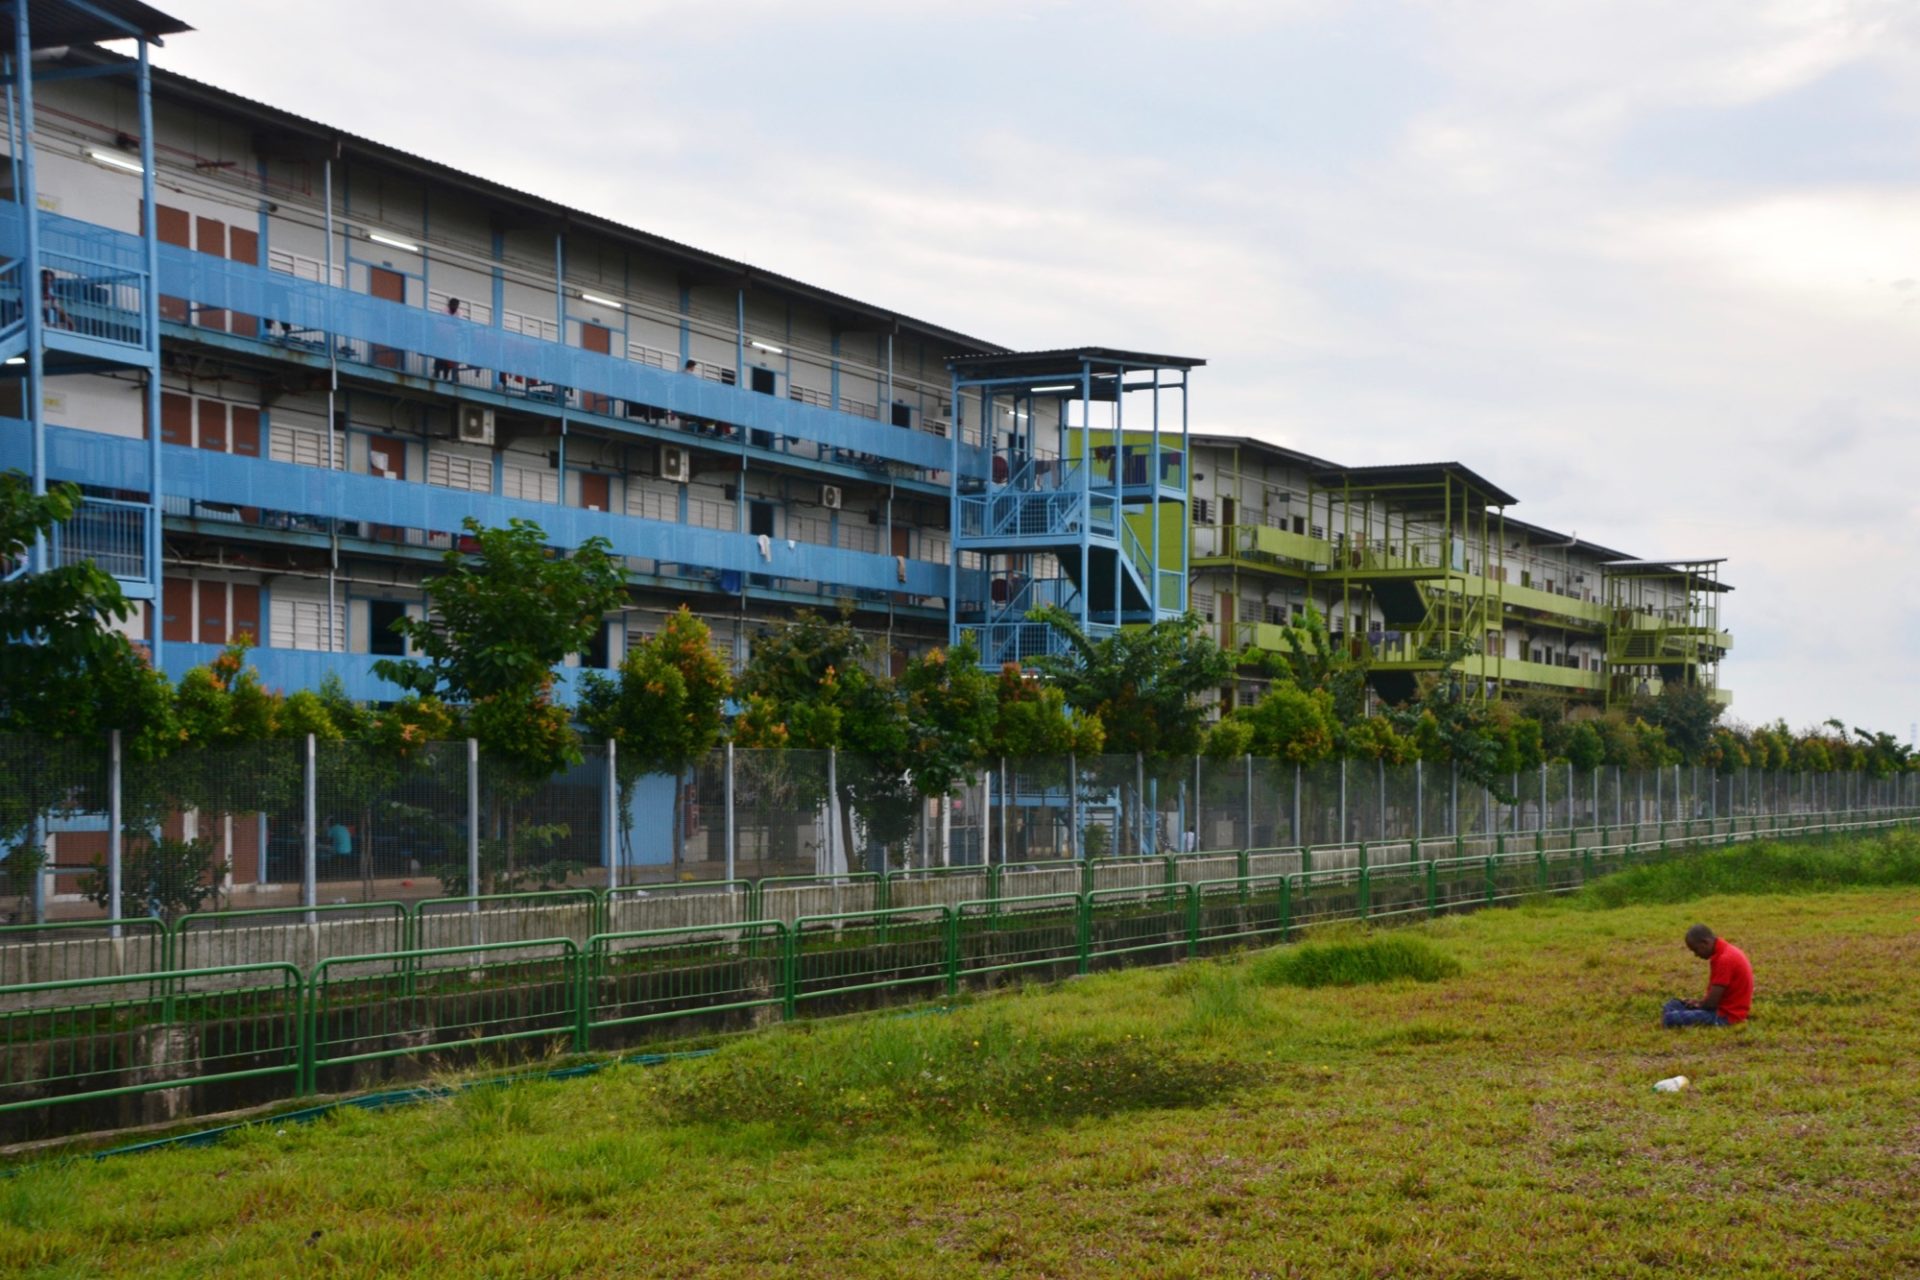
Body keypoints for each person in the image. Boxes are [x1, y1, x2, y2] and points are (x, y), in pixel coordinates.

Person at [1661, 924, 1752, 1027]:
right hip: (1721, 1008)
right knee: (1673, 1003)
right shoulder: (1725, 951)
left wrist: (1699, 1005)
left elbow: (1711, 1004)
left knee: (1670, 1018)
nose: (1696, 955)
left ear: (1705, 942)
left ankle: (1671, 1017)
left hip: (1726, 1016)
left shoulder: (1724, 959)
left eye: (1696, 950)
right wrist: (1697, 1003)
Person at [432, 297, 461, 379]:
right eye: (453, 305)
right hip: (441, 338)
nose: (455, 307)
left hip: (452, 340)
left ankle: (447, 377)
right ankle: (436, 375)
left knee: (449, 359)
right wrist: (452, 323)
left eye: (456, 305)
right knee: (439, 358)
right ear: (449, 305)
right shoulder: (444, 310)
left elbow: (458, 324)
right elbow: (441, 323)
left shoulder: (459, 312)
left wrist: (450, 323)